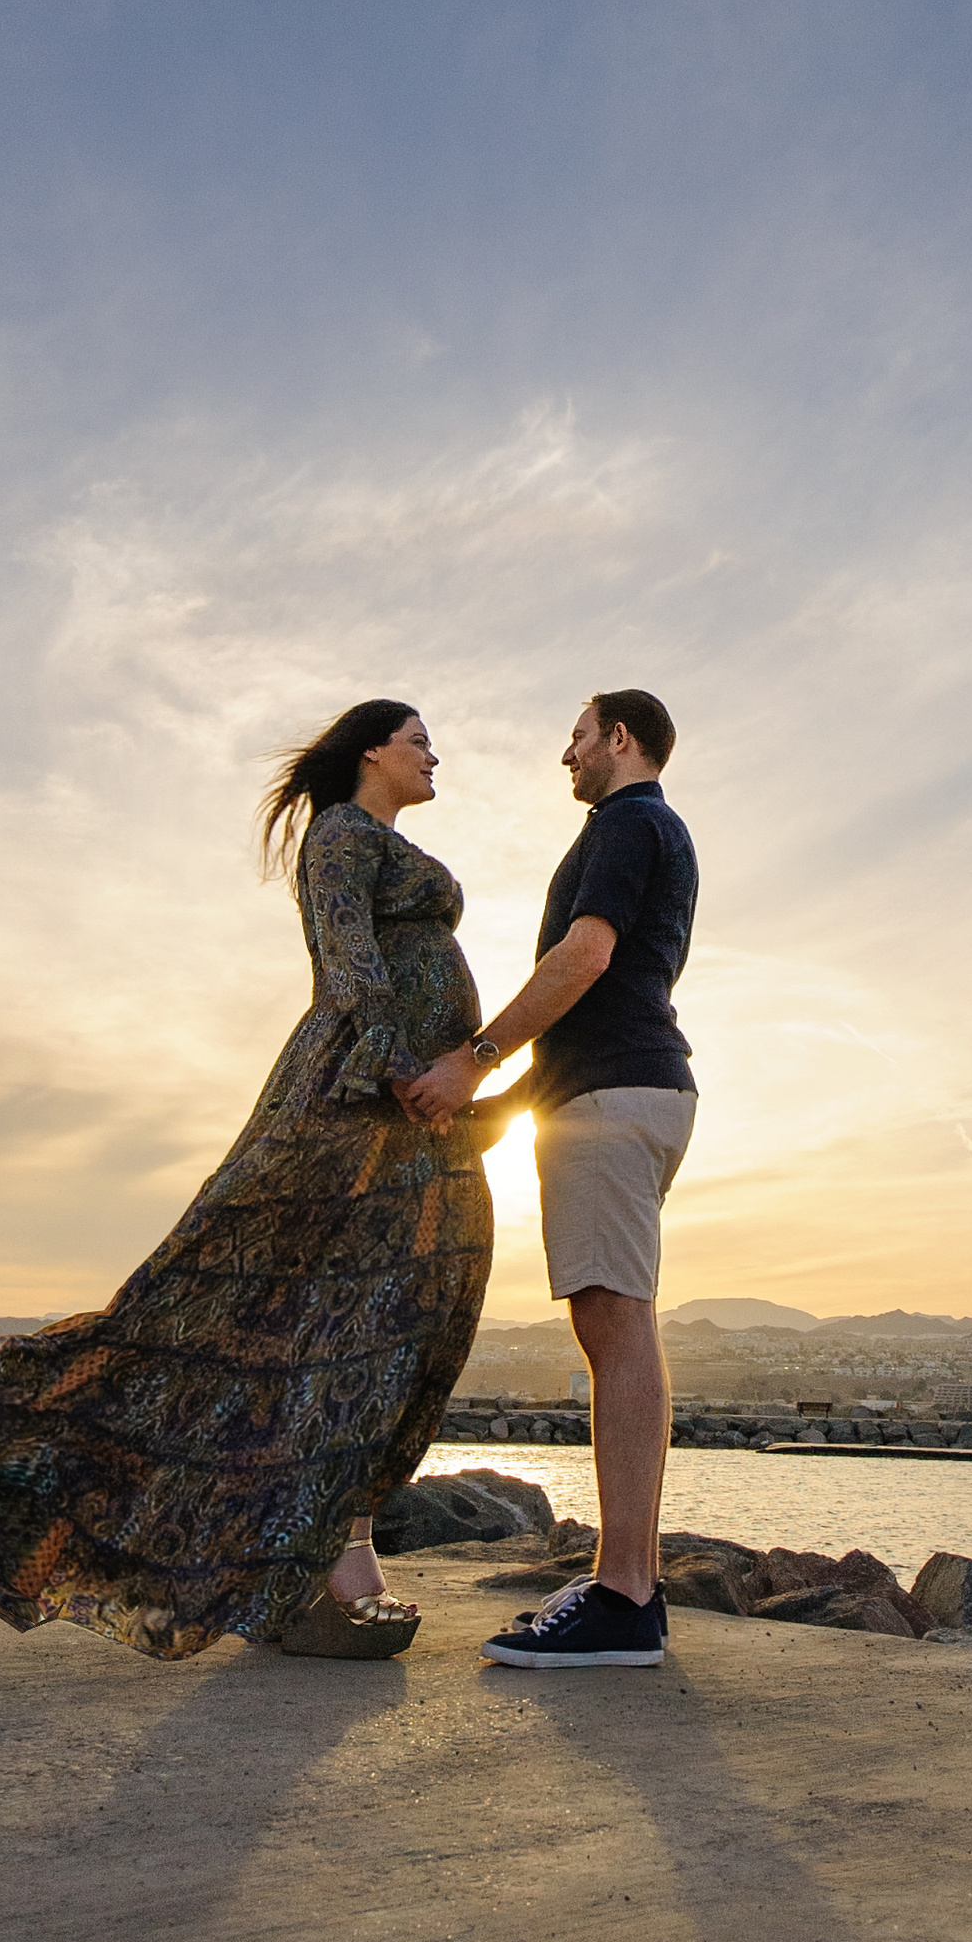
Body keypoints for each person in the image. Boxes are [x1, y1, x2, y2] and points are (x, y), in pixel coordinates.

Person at [0, 701, 496, 1660]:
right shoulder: (339, 835)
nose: (433, 753)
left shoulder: (377, 840)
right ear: (371, 749)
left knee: (381, 1328)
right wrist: (397, 1073)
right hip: (362, 1105)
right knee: (275, 1319)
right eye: (418, 739)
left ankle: (315, 1553)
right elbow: (349, 968)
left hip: (417, 1116)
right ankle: (308, 1570)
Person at [402, 687, 697, 1669]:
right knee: (616, 1324)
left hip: (614, 1105)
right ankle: (633, 1587)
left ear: (619, 738)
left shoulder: (627, 823)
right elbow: (594, 1010)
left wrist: (469, 1060)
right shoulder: (649, 831)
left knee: (615, 1327)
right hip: (617, 1093)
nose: (563, 755)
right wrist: (506, 1106)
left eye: (575, 736)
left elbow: (583, 958)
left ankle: (621, 1598)